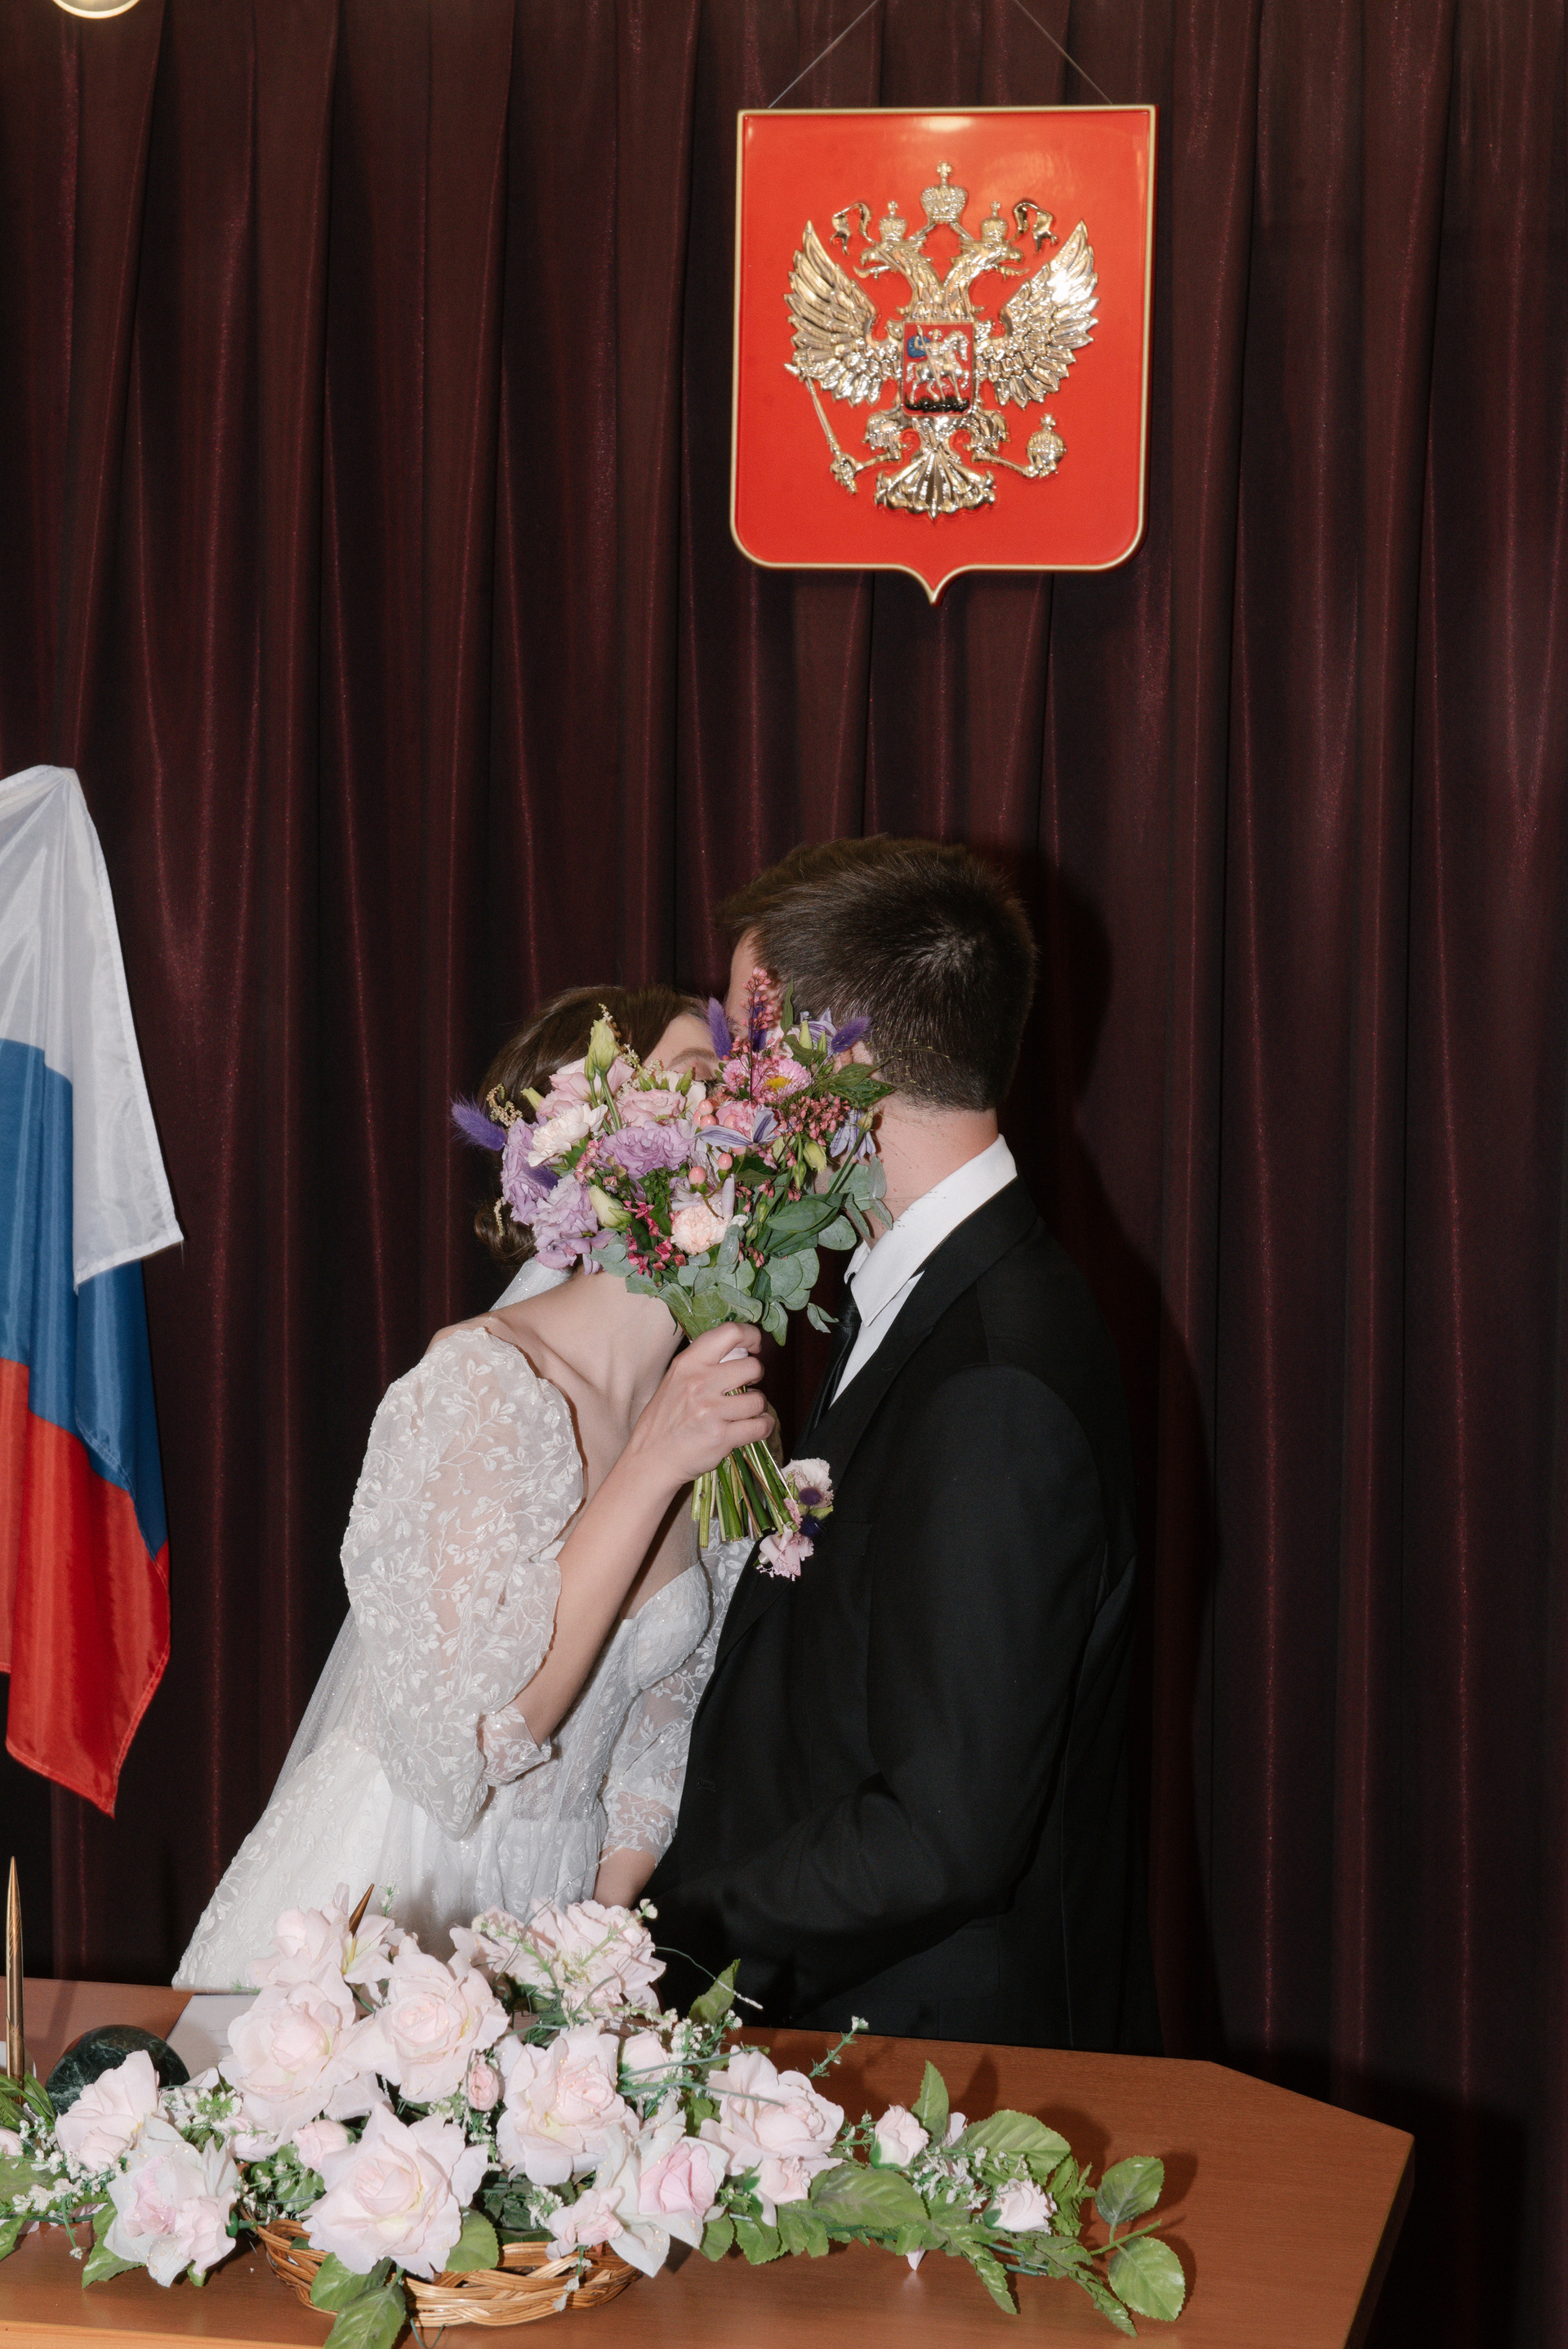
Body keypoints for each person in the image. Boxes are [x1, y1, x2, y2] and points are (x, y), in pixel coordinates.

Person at [648, 840, 1161, 2051]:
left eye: (747, 1051)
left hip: (930, 2063)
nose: (728, 1098)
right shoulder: (938, 1293)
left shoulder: (994, 1377)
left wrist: (663, 1949)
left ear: (839, 1069)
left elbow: (940, 1831)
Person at [175, 985, 766, 1989]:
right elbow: (476, 1745)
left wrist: (592, 1959)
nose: (740, 1114)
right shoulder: (484, 1384)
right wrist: (649, 1465)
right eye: (699, 1081)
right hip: (400, 1901)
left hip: (564, 1919)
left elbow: (652, 1751)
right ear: (595, 1148)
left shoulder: (713, 1426)